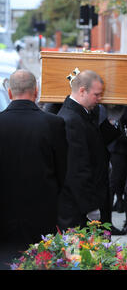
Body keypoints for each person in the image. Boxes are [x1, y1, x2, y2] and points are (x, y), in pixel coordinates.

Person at [0, 70, 67, 269]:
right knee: (39, 261)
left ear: (9, 92)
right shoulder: (53, 123)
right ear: (36, 91)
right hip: (42, 210)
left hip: (3, 210)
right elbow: (62, 170)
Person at [57, 70, 121, 231]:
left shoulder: (82, 114)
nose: (100, 100)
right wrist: (90, 207)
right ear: (82, 91)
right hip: (79, 209)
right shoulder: (71, 119)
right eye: (97, 95)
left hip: (89, 201)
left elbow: (95, 144)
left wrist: (113, 121)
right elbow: (77, 169)